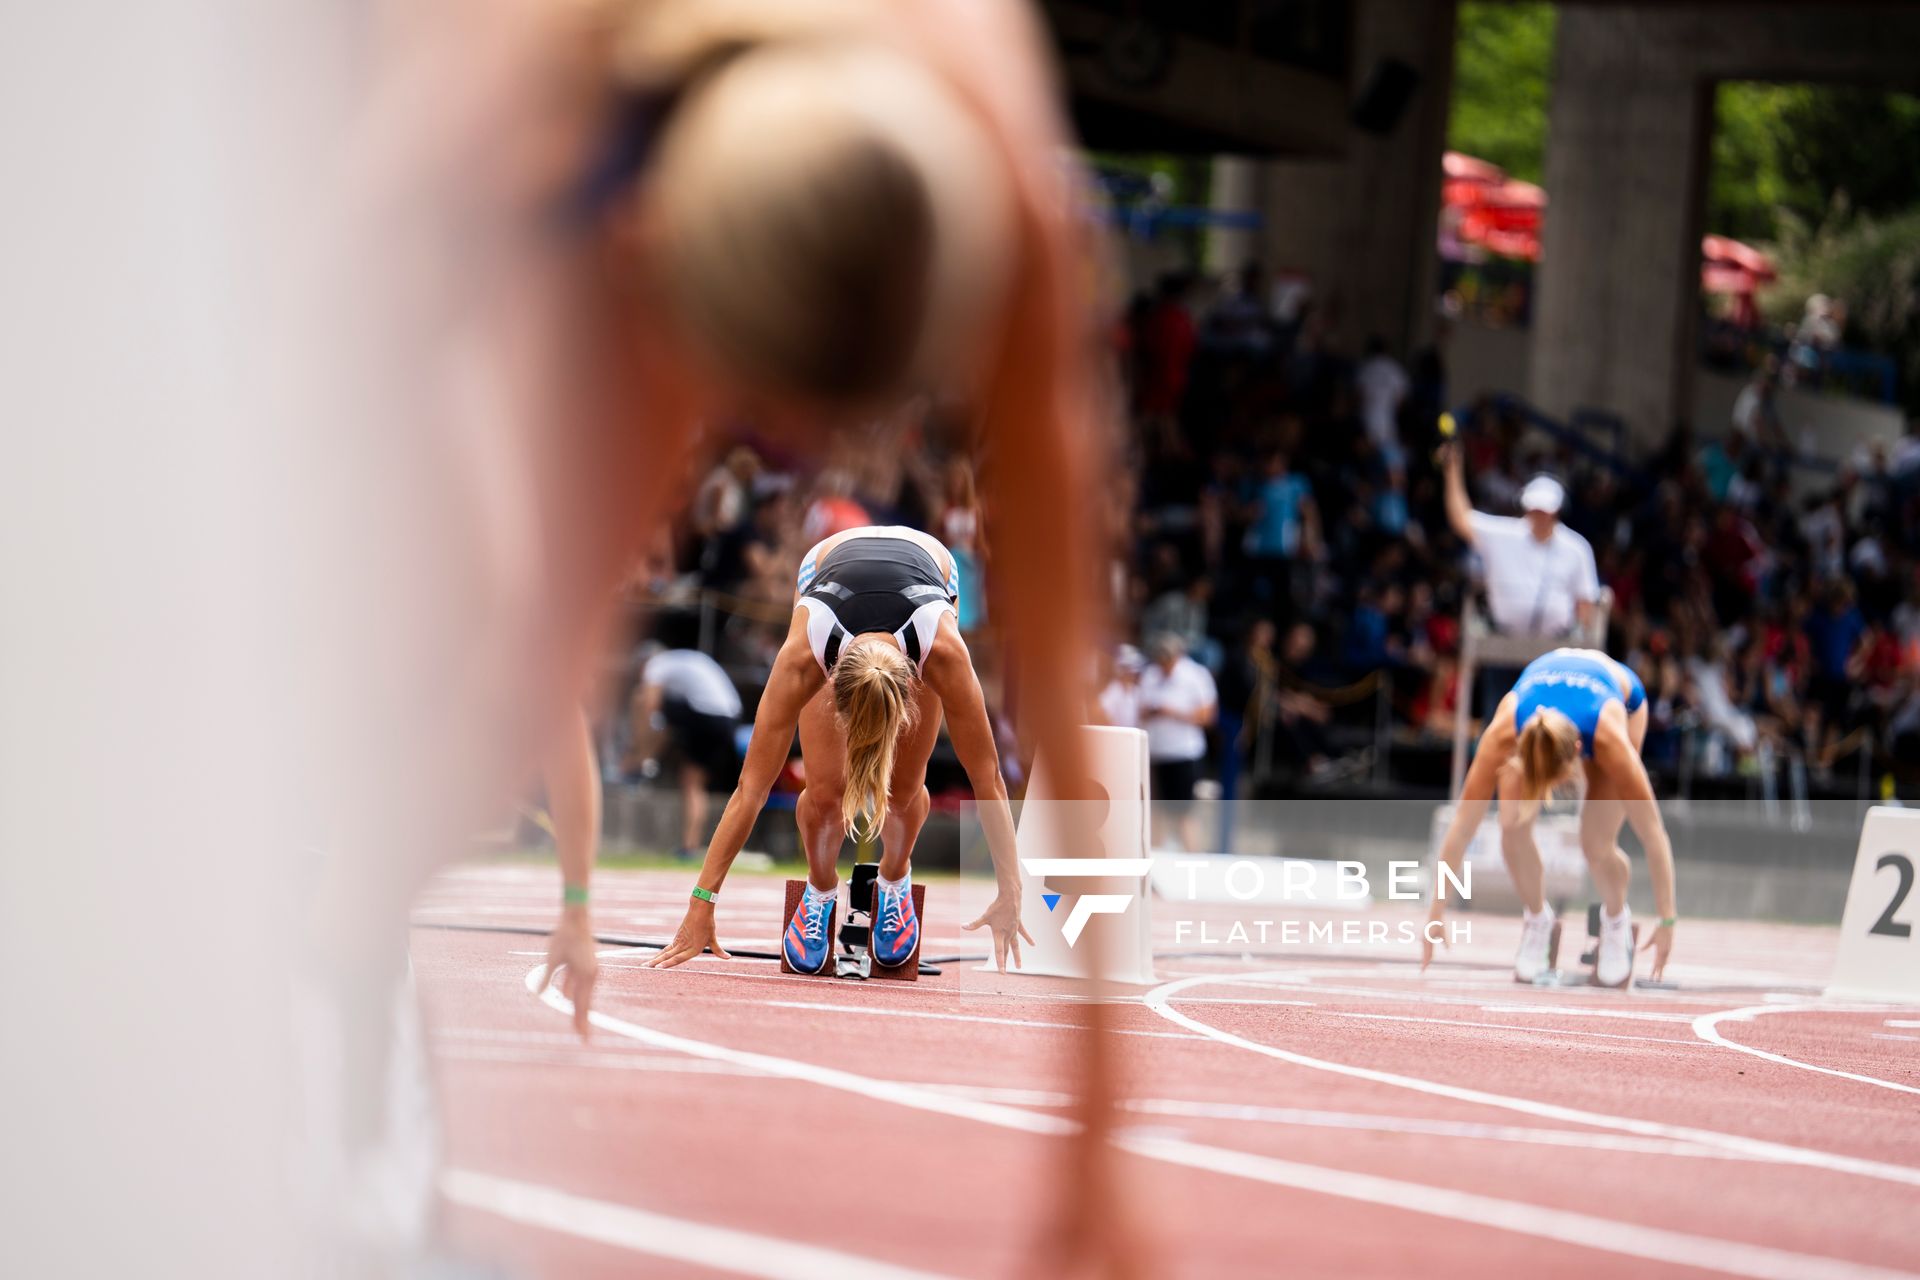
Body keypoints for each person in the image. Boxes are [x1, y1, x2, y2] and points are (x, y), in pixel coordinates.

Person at [648, 525, 1031, 974]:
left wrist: (1011, 891)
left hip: (930, 572)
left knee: (904, 790)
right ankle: (820, 888)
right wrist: (701, 904)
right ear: (829, 686)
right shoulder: (804, 654)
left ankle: (894, 877)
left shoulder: (943, 651)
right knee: (826, 791)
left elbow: (988, 779)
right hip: (826, 571)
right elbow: (750, 788)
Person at [1425, 648, 1678, 987]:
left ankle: (1616, 921)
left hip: (1623, 699)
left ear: (1576, 753)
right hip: (1546, 692)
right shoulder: (1504, 733)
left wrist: (1666, 921)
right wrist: (1436, 912)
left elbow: (1653, 834)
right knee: (1511, 829)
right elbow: (1462, 826)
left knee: (1597, 844)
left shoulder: (1610, 741)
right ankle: (1537, 919)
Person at [623, 646, 744, 858]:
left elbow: (651, 707)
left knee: (639, 697)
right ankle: (690, 846)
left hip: (707, 715)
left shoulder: (656, 665)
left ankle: (640, 760)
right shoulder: (681, 663)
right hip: (729, 717)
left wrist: (640, 744)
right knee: (693, 782)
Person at [1139, 632, 1218, 853]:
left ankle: (1193, 858)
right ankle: (1156, 858)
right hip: (1156, 753)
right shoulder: (1151, 674)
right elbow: (1140, 707)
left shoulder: (1196, 675)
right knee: (1155, 812)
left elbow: (1207, 716)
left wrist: (1173, 713)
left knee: (1184, 813)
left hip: (1183, 753)